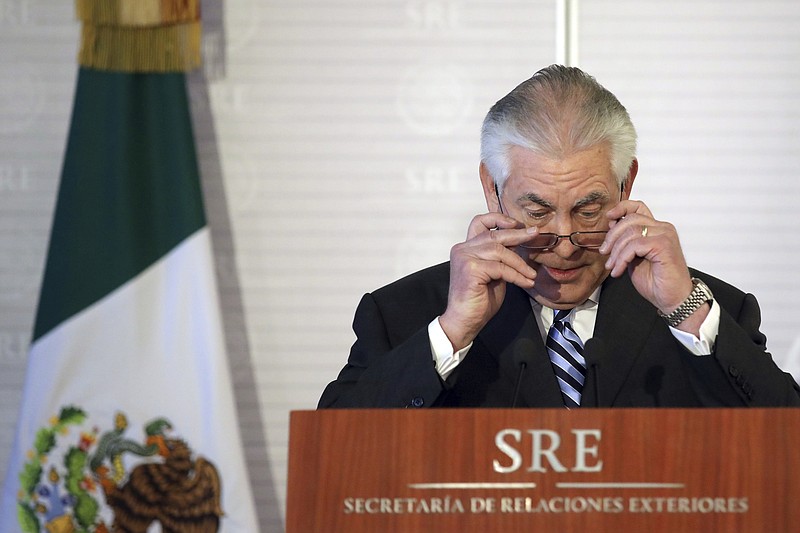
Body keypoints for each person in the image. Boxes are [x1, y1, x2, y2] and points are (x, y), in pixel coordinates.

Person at [318, 65, 800, 409]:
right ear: (493, 189)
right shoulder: (404, 314)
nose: (566, 241)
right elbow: (332, 462)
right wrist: (452, 333)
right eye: (539, 212)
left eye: (589, 210)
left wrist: (687, 311)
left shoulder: (710, 310)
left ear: (625, 185)